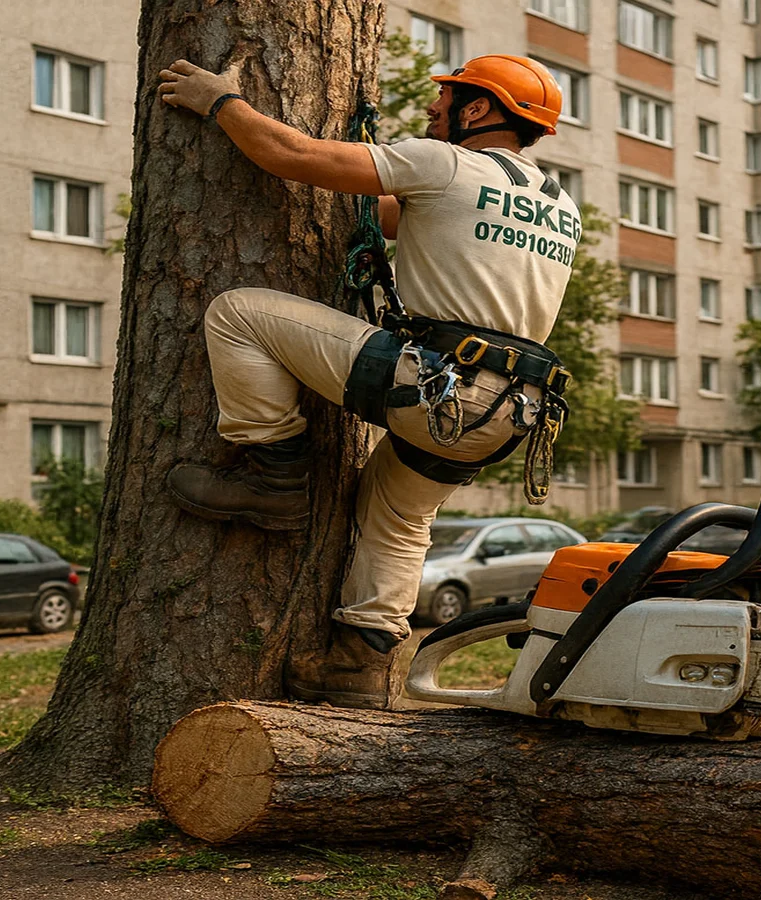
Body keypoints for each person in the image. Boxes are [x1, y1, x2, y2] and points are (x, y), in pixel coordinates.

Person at [155, 55, 580, 708]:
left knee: (238, 313)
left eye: (446, 101)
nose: (434, 111)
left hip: (434, 385)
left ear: (478, 111)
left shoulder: (445, 165)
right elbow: (390, 220)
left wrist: (221, 103)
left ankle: (275, 479)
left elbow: (293, 155)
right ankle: (358, 663)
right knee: (400, 513)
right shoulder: (559, 208)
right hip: (509, 415)